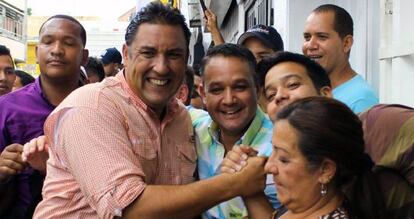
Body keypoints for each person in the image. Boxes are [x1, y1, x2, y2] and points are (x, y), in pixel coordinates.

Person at [33, 3, 267, 218]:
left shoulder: (183, 118)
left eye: (173, 55)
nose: (161, 67)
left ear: (186, 58)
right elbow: (128, 210)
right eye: (148, 53)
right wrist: (235, 182)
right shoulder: (91, 107)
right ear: (126, 54)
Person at [225, 97, 388, 218]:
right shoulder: (301, 206)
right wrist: (249, 189)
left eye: (283, 158)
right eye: (272, 150)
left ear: (325, 170)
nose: (269, 167)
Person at [0, 14, 88, 218]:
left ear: (84, 56)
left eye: (68, 43)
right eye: (48, 42)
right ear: (38, 51)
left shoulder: (103, 108)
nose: (57, 50)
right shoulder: (6, 108)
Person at [190, 43, 279, 219]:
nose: (229, 100)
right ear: (203, 93)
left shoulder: (284, 144)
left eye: (240, 87)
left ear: (258, 88)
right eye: (217, 90)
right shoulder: (195, 128)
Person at [302, 4, 378, 113]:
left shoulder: (361, 100)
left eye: (322, 37)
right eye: (307, 37)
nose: (310, 45)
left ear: (346, 43)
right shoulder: (308, 91)